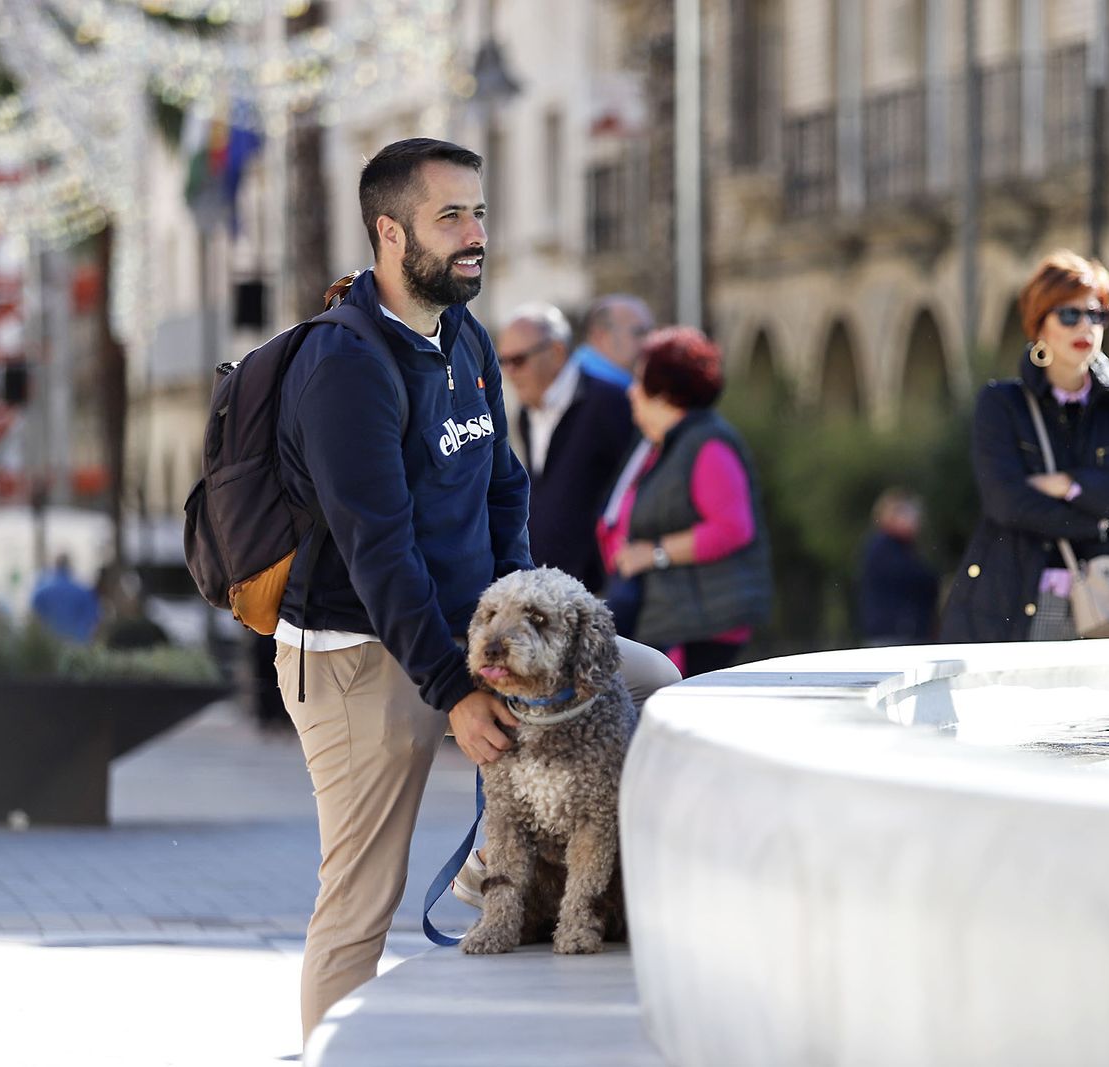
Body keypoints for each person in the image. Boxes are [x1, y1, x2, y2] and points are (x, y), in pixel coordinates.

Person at [270, 138, 679, 1044]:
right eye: (450, 216)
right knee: (362, 893)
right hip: (357, 653)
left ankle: (501, 856)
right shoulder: (345, 364)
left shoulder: (467, 338)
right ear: (390, 232)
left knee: (652, 681)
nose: (475, 234)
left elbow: (502, 489)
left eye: (480, 213)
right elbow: (378, 550)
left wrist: (521, 623)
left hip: (468, 636)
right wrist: (455, 689)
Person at [939, 250, 1109, 642]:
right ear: (1039, 324)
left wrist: (1070, 484)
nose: (1085, 326)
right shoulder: (1002, 405)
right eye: (1069, 315)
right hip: (1018, 600)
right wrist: (1107, 512)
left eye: (1096, 314)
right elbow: (1006, 503)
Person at [598, 326, 771, 675]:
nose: (631, 391)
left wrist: (653, 553)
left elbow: (732, 528)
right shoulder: (659, 445)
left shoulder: (708, 444)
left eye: (640, 381)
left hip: (702, 627)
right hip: (672, 619)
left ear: (664, 391)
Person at [496, 302, 634, 591]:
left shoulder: (609, 404)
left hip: (599, 590)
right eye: (503, 361)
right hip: (550, 588)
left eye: (518, 360)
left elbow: (634, 494)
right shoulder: (526, 414)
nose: (509, 372)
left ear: (557, 352)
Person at [857, 488, 939, 645]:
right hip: (895, 637)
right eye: (909, 514)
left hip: (902, 634)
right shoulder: (884, 549)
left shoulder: (902, 548)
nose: (916, 520)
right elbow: (915, 580)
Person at [574, 294, 654, 389]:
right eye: (639, 333)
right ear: (600, 335)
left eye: (650, 333)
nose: (649, 341)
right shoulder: (581, 383)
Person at [29, 554, 100, 644]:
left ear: (55, 566)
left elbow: (34, 615)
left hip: (50, 644)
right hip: (77, 643)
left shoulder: (42, 591)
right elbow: (93, 617)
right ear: (70, 566)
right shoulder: (83, 591)